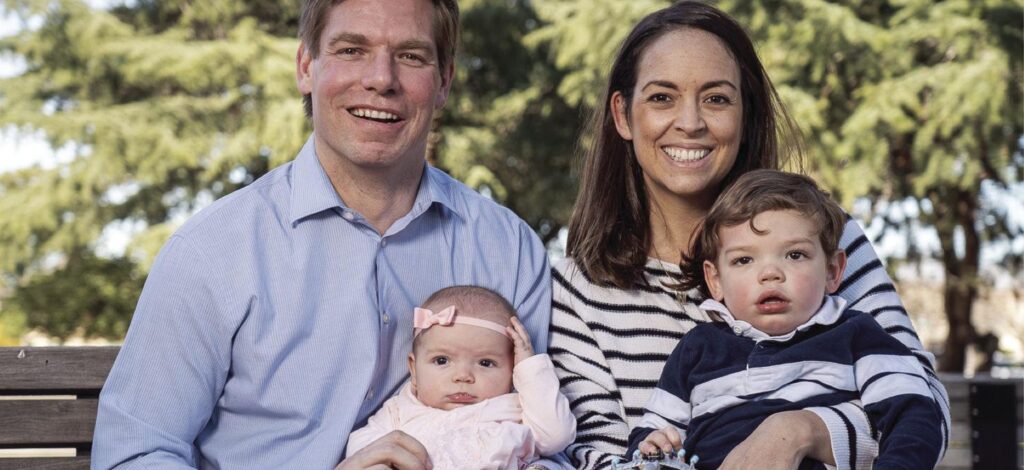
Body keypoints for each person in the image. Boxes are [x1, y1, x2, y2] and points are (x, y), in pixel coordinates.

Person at [92, 0, 551, 469]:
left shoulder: (508, 249)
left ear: (444, 82)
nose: (381, 79)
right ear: (306, 67)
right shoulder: (213, 250)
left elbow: (548, 443)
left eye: (411, 56)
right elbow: (133, 454)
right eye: (352, 49)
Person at [549, 2, 950, 469]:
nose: (691, 122)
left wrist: (798, 430)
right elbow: (596, 455)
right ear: (622, 115)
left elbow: (923, 409)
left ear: (746, 114)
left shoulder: (824, 237)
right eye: (662, 98)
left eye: (717, 98)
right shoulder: (576, 290)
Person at [626, 170, 945, 469]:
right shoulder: (698, 349)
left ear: (833, 271)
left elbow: (914, 417)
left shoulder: (856, 335)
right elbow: (651, 435)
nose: (770, 274)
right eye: (744, 260)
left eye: (794, 255)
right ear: (715, 280)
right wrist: (652, 446)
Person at [346, 286, 576, 468]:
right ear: (414, 370)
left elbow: (556, 436)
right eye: (442, 361)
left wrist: (529, 365)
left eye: (486, 363)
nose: (463, 376)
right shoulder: (399, 410)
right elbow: (361, 448)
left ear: (512, 371)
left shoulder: (518, 410)